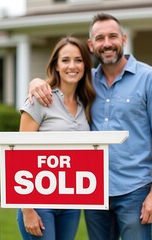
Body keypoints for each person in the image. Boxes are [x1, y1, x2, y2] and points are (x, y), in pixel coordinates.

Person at [28, 13, 152, 240]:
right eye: (100, 38)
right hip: (93, 190)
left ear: (124, 39)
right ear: (91, 45)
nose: (107, 43)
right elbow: (58, 85)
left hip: (134, 190)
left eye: (112, 36)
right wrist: (36, 82)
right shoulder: (86, 83)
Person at [17, 36, 96, 240]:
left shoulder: (85, 104)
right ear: (56, 65)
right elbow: (19, 155)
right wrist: (27, 210)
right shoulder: (40, 99)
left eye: (78, 60)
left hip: (71, 202)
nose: (72, 66)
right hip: (39, 203)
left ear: (86, 66)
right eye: (65, 60)